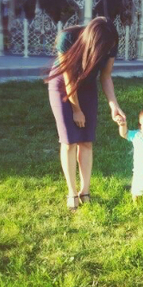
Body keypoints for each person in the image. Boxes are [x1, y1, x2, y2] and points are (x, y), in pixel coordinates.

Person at [47, 16, 126, 210]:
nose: (107, 51)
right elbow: (69, 79)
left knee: (86, 141)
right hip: (62, 85)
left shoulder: (110, 42)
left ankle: (85, 191)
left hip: (88, 87)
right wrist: (76, 110)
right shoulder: (68, 38)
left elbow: (105, 76)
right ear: (93, 41)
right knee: (69, 141)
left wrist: (114, 105)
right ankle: (72, 192)